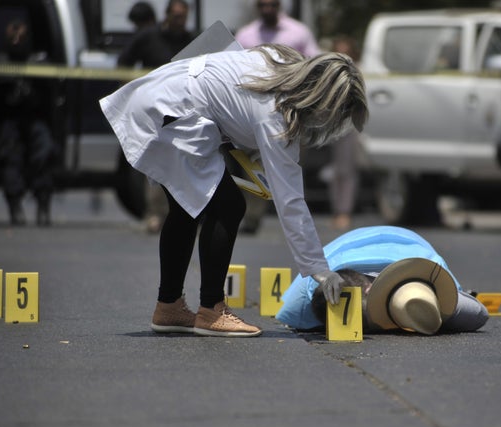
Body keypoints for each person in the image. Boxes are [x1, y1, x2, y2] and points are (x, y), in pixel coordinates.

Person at [100, 43, 368, 337]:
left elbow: (223, 59)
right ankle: (211, 311)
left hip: (161, 96)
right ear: (323, 102)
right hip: (173, 113)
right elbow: (290, 200)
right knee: (227, 207)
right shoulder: (276, 114)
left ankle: (169, 307)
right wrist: (319, 269)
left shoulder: (276, 60)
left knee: (186, 207)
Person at [276, 226, 490, 335]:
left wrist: (435, 313)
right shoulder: (306, 291)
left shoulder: (429, 266)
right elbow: (288, 316)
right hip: (347, 244)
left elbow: (479, 313)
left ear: (369, 289)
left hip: (411, 242)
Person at [234, 0, 322, 234]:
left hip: (289, 111)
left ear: (278, 6)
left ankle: (296, 223)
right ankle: (253, 217)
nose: (267, 9)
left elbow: (315, 63)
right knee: (252, 167)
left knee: (289, 166)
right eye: (262, 5)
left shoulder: (298, 32)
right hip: (252, 111)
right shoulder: (246, 35)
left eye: (272, 5)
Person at [117, 0, 196, 234]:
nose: (179, 21)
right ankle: (154, 214)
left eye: (183, 17)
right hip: (154, 112)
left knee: (187, 166)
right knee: (155, 166)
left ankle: (188, 217)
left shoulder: (192, 40)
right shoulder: (148, 37)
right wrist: (133, 94)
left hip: (185, 112)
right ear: (167, 15)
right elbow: (122, 64)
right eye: (176, 16)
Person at [0, 18, 57, 226]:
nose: (17, 40)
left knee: (44, 154)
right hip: (10, 118)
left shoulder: (38, 61)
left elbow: (50, 92)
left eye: (21, 36)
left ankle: (43, 205)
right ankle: (15, 206)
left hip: (35, 117)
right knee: (11, 159)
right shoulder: (0, 62)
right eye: (13, 36)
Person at [326, 35, 361, 231]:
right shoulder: (330, 71)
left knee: (346, 170)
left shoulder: (356, 72)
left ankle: (344, 211)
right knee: (335, 171)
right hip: (331, 125)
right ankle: (337, 210)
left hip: (349, 125)